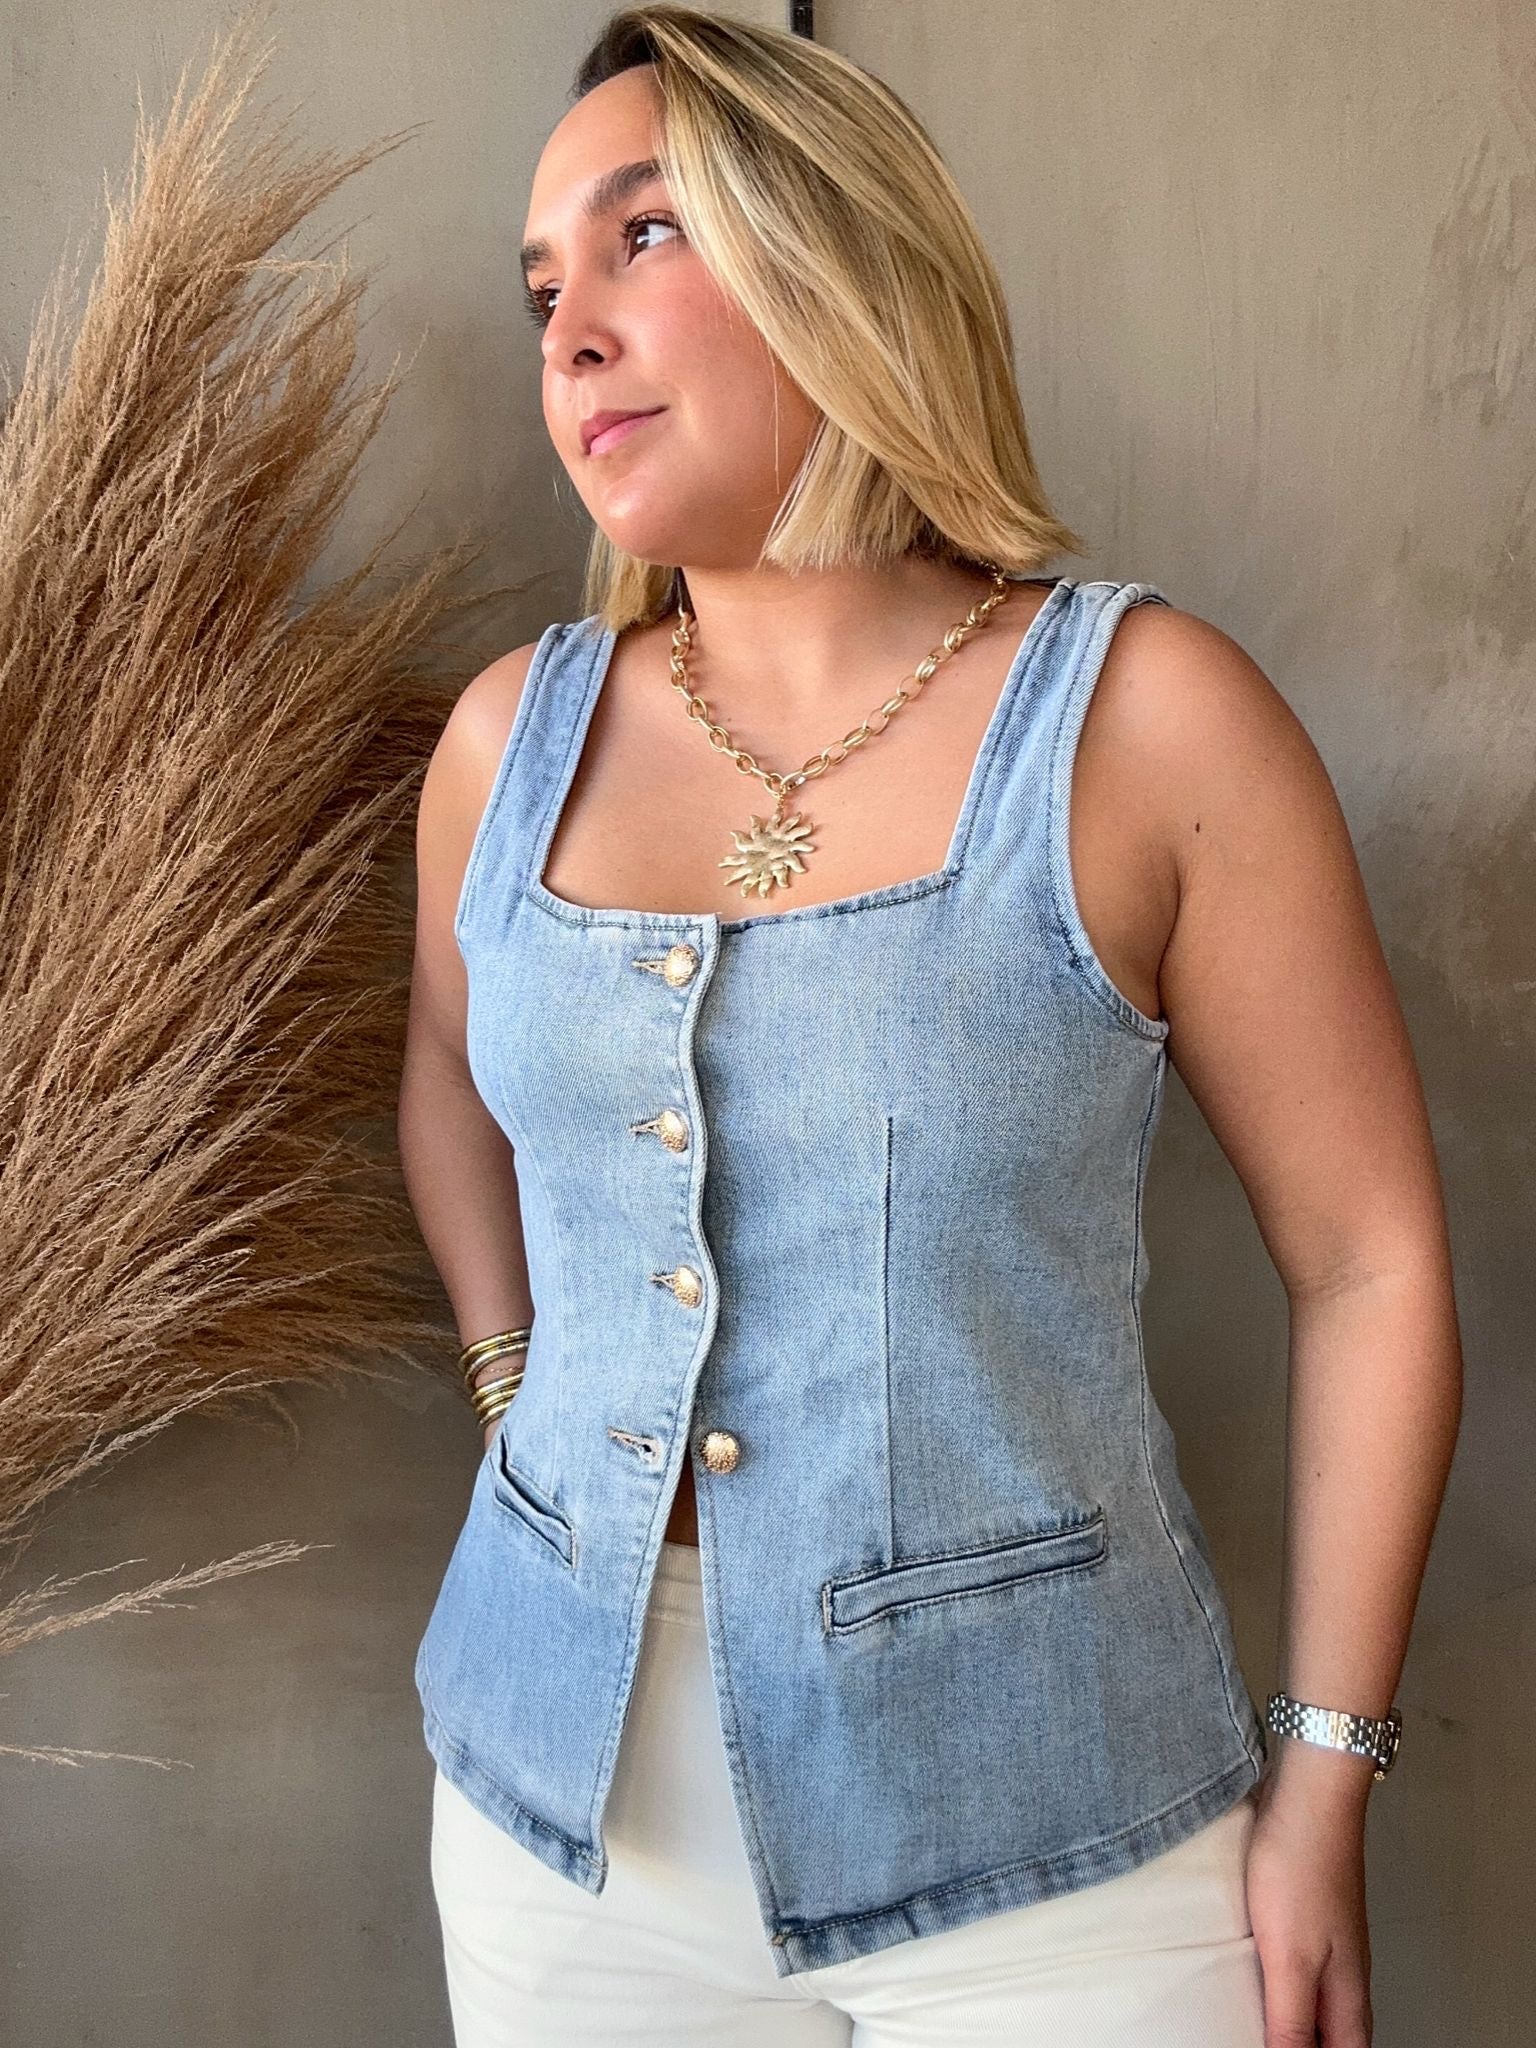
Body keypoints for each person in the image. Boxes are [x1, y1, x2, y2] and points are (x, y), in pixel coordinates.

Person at [396, 9, 1462, 2045]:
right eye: (542, 292)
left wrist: (1325, 1779)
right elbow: (450, 1084)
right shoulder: (505, 741)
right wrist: (516, 1384)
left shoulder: (1148, 721)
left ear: (836, 258)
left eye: (642, 238)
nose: (570, 335)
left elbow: (1370, 1258)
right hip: (559, 1829)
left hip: (1057, 1842)